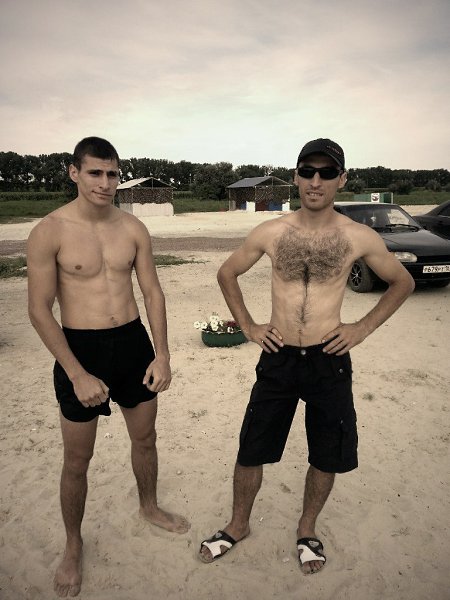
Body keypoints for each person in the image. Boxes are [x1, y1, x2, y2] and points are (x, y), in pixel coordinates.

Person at [199, 138, 414, 574]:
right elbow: (227, 272)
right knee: (252, 448)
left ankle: (307, 527)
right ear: (296, 176)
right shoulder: (272, 231)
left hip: (328, 359)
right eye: (307, 171)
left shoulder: (358, 236)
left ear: (342, 179)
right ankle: (238, 524)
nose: (316, 180)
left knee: (326, 453)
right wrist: (249, 326)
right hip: (278, 357)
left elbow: (402, 282)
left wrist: (361, 328)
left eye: (327, 172)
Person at [27, 137, 190, 598]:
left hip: (133, 344)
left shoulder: (133, 227)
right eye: (95, 172)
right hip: (80, 349)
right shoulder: (49, 231)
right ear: (74, 172)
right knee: (77, 459)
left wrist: (162, 353)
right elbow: (39, 309)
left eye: (112, 174)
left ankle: (149, 506)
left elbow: (152, 291)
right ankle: (73, 544)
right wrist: (76, 373)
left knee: (146, 437)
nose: (105, 182)